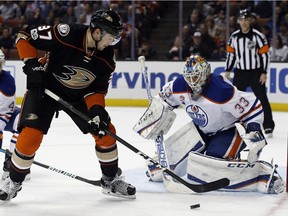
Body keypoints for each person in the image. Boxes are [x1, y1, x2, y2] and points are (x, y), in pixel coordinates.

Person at [0, 8, 136, 202]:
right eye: (111, 37)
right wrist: (32, 64)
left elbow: (96, 90)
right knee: (30, 136)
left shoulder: (107, 58)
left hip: (78, 97)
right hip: (45, 89)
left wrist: (97, 109)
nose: (112, 42)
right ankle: (14, 181)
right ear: (97, 32)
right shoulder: (66, 33)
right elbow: (25, 36)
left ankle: (111, 180)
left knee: (105, 132)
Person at [133, 55, 284, 194]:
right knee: (159, 170)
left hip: (230, 130)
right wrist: (155, 115)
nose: (192, 83)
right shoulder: (178, 86)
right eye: (189, 78)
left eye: (196, 77)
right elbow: (162, 100)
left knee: (209, 170)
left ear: (205, 75)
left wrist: (254, 129)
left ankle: (263, 174)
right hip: (202, 130)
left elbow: (253, 106)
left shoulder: (221, 90)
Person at [225, 9, 275, 137]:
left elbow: (265, 56)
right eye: (241, 20)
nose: (244, 23)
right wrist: (228, 70)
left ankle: (268, 125)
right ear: (238, 21)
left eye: (246, 20)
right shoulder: (234, 37)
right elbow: (231, 55)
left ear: (250, 21)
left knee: (262, 98)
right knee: (234, 99)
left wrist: (264, 72)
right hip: (240, 72)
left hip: (255, 73)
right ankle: (234, 124)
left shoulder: (258, 36)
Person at [0, 49, 21, 181]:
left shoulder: (7, 81)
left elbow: (5, 113)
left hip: (6, 115)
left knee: (24, 124)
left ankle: (12, 163)